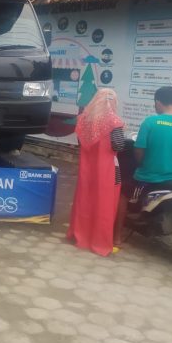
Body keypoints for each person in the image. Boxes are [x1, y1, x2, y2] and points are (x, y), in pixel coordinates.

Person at [67, 88, 125, 256]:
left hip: (87, 170)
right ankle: (99, 241)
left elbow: (81, 143)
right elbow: (119, 145)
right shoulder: (114, 122)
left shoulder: (84, 120)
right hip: (107, 170)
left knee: (85, 201)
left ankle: (80, 234)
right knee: (105, 204)